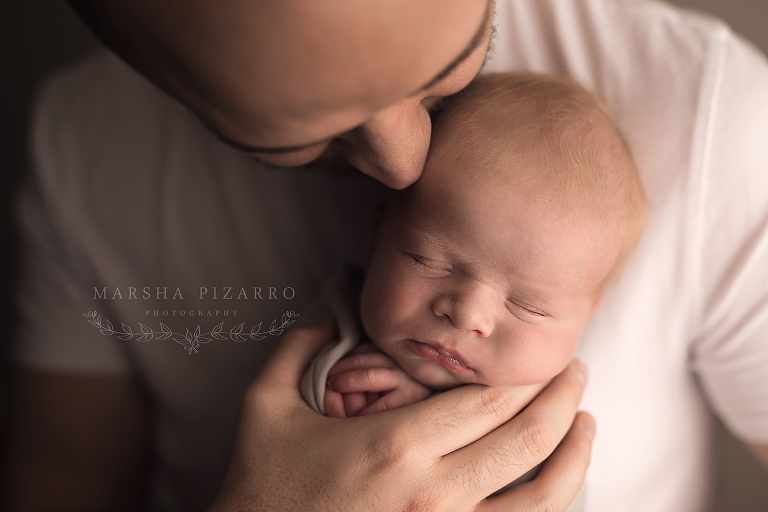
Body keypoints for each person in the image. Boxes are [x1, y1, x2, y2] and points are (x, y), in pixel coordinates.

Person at [3, 0, 768, 511]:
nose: (407, 167)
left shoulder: (714, 120)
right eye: (308, 132)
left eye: (451, 69)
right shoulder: (84, 149)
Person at [302, 73, 646, 424]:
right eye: (427, 262)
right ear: (379, 239)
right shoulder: (334, 330)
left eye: (529, 307)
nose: (466, 315)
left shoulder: (552, 409)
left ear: (587, 316)